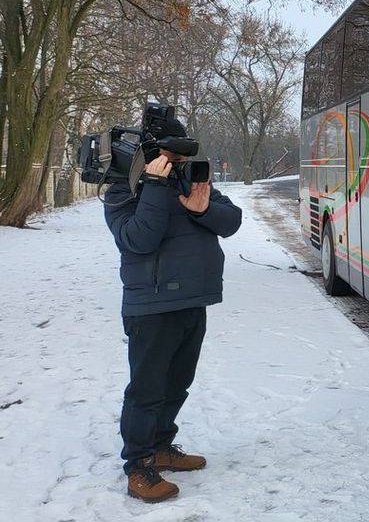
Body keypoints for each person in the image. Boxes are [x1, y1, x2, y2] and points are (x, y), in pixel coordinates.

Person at [103, 115, 242, 503]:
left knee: (177, 383)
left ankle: (163, 446)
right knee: (146, 390)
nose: (176, 163)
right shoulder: (123, 189)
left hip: (192, 300)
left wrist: (202, 209)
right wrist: (153, 186)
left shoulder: (194, 180)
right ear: (148, 157)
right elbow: (138, 240)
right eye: (168, 156)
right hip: (150, 305)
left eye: (179, 157)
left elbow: (231, 222)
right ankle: (138, 464)